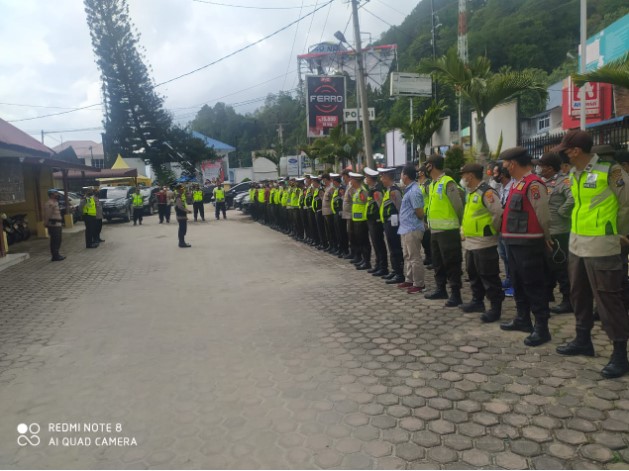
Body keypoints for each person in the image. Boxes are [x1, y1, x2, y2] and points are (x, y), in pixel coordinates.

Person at [553, 131, 629, 378]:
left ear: (575, 151)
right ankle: (583, 339)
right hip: (578, 244)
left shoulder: (610, 170)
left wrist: (621, 233)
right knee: (579, 295)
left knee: (608, 300)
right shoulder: (574, 174)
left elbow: (626, 202)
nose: (562, 155)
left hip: (602, 245)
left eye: (565, 150)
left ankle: (620, 355)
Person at [498, 147, 552, 347]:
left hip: (529, 243)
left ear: (512, 163)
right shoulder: (517, 184)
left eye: (505, 164)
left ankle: (542, 327)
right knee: (518, 282)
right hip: (513, 242)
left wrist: (547, 236)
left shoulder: (534, 184)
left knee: (533, 284)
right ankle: (523, 319)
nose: (503, 168)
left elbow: (543, 215)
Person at [459, 164, 504, 322]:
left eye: (463, 175)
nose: (462, 178)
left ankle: (495, 308)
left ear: (470, 175)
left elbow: (497, 213)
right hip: (471, 242)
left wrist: (491, 231)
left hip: (484, 243)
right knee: (473, 274)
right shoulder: (471, 193)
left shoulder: (487, 192)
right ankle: (477, 302)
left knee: (489, 276)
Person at [424, 155, 464, 307]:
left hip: (448, 231)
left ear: (431, 166)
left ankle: (456, 294)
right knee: (438, 262)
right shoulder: (434, 183)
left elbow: (458, 207)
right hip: (435, 230)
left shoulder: (448, 182)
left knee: (452, 263)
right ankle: (441, 289)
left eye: (427, 164)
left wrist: (461, 226)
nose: (425, 167)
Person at [538, 152, 574, 314]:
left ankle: (568, 301)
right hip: (545, 231)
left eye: (542, 166)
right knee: (546, 267)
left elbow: (572, 198)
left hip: (559, 231)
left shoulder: (564, 181)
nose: (539, 169)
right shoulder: (542, 182)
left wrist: (562, 212)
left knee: (561, 267)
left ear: (550, 168)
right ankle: (547, 295)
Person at [396, 164, 426, 294]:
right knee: (407, 255)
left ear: (406, 176)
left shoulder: (414, 191)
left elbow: (419, 212)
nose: (401, 176)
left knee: (414, 257)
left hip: (413, 228)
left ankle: (419, 283)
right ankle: (409, 279)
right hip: (406, 228)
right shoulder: (409, 189)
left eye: (402, 174)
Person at [378, 168, 404, 284]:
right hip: (388, 223)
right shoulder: (388, 190)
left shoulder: (394, 191)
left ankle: (399, 273)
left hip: (393, 223)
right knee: (392, 248)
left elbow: (399, 208)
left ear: (388, 177)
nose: (381, 179)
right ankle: (395, 270)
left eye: (383, 177)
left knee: (395, 248)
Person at [494, 164, 514, 296]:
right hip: (501, 228)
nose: (493, 175)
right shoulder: (501, 188)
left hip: (511, 228)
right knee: (504, 256)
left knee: (511, 257)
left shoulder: (513, 187)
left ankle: (514, 284)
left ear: (502, 174)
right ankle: (509, 278)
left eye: (495, 173)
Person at [364, 168, 389, 277]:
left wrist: (379, 218)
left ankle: (383, 267)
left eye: (366, 177)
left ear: (370, 178)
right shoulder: (372, 188)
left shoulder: (377, 190)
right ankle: (378, 265)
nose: (365, 179)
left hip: (376, 221)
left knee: (379, 244)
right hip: (371, 220)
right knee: (375, 244)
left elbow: (380, 206)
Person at [349, 172, 371, 270]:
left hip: (362, 219)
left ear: (356, 181)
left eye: (352, 180)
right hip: (357, 219)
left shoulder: (362, 191)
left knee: (364, 241)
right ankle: (363, 259)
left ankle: (367, 261)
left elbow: (366, 202)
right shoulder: (357, 191)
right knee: (359, 241)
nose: (350, 182)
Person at [417, 165, 433, 267]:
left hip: (427, 214)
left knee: (428, 238)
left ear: (422, 173)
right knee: (423, 238)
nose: (417, 173)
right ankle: (428, 256)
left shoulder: (427, 184)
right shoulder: (421, 184)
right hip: (421, 214)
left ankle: (432, 258)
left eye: (419, 171)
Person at [43, 189, 65, 261]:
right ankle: (55, 256)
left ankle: (57, 254)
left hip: (58, 224)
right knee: (55, 241)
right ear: (51, 194)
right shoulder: (49, 203)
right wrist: (46, 223)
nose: (57, 194)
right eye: (55, 193)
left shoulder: (55, 202)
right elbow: (47, 215)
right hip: (53, 225)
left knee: (58, 240)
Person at [332, 173, 349, 257]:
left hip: (340, 213)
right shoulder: (336, 189)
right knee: (338, 233)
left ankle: (344, 250)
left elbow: (342, 201)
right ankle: (341, 249)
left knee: (342, 233)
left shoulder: (341, 189)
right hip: (336, 213)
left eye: (333, 181)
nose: (332, 183)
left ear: (336, 182)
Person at [341, 169, 355, 260]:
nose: (343, 178)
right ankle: (353, 253)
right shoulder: (348, 186)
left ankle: (355, 254)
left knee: (352, 235)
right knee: (350, 234)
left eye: (344, 176)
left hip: (351, 215)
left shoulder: (351, 187)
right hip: (348, 214)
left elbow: (354, 201)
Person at [321, 173, 337, 253]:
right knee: (328, 231)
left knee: (332, 231)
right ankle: (330, 245)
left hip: (330, 212)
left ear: (327, 180)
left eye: (324, 180)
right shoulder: (326, 188)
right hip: (325, 212)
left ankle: (334, 246)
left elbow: (333, 200)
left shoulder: (332, 188)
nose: (323, 182)